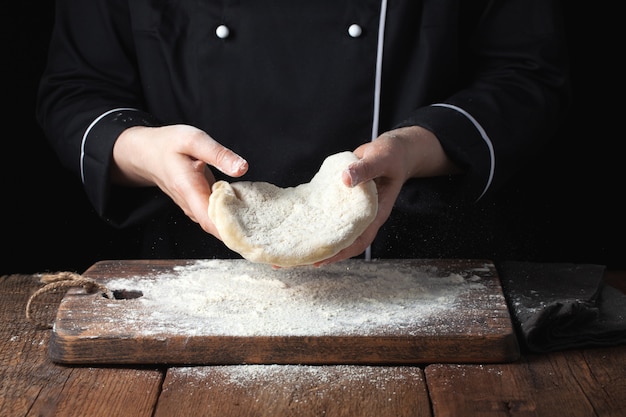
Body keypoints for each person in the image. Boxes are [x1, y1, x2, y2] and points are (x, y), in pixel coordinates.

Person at [36, 0, 570, 265]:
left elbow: (527, 73)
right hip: (191, 273)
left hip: (410, 271)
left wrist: (417, 147)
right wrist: (145, 150)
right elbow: (76, 87)